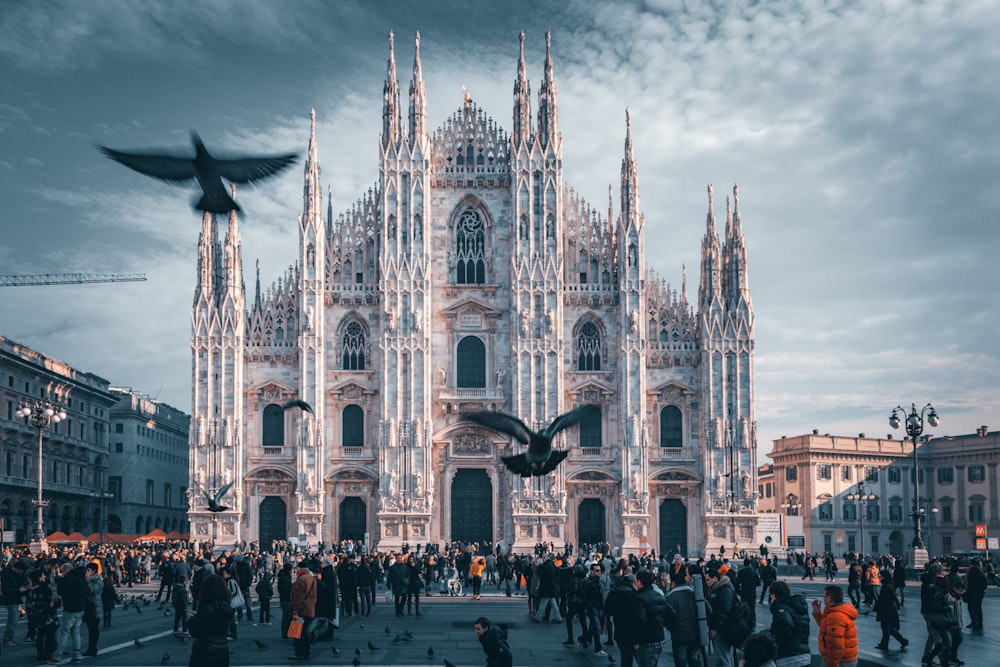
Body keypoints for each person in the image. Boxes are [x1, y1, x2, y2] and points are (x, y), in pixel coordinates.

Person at [187, 574, 234, 667]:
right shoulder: (226, 606)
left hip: (205, 650)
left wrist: (192, 620)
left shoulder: (205, 606)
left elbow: (197, 631)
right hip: (222, 648)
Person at [49, 562, 87, 665]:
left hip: (70, 608)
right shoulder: (82, 578)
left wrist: (58, 583)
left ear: (66, 570)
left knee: (64, 632)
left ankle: (57, 656)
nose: (63, 573)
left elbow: (61, 592)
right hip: (80, 608)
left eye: (63, 571)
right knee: (76, 632)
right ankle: (76, 655)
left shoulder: (68, 579)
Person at [811, 584, 858, 667]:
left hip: (840, 661)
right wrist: (818, 613)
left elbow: (836, 644)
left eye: (825, 596)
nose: (823, 599)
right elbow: (827, 628)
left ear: (830, 598)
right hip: (845, 659)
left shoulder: (835, 616)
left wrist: (832, 664)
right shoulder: (839, 611)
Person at [664, 570, 703, 667]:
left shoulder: (670, 597)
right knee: (694, 659)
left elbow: (666, 618)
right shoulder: (695, 593)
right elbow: (708, 610)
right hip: (695, 633)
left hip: (679, 634)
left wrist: (672, 627)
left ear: (673, 583)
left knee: (681, 661)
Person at [767, 581, 810, 667]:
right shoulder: (798, 606)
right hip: (804, 654)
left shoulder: (780, 607)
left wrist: (776, 641)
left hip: (788, 655)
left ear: (774, 595)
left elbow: (785, 623)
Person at [632, 569, 668, 667]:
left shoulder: (639, 598)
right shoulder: (659, 594)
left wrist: (636, 641)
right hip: (659, 638)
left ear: (639, 582)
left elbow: (641, 621)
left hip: (647, 640)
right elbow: (671, 614)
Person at [706, 565, 738, 667]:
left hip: (724, 629)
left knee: (724, 656)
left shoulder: (724, 589)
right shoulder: (718, 588)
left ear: (715, 578)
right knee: (722, 656)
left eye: (708, 579)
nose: (707, 582)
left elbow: (724, 611)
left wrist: (715, 628)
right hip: (722, 627)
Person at [604, 572, 638, 667]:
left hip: (619, 627)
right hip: (632, 628)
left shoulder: (614, 592)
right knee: (638, 656)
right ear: (632, 583)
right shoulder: (633, 593)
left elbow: (607, 609)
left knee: (625, 656)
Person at [25, 568, 58, 663]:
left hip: (37, 614)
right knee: (49, 635)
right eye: (43, 575)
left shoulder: (33, 588)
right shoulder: (45, 588)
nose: (44, 577)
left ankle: (40, 654)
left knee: (40, 634)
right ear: (39, 577)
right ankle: (48, 654)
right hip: (47, 614)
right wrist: (53, 602)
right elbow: (50, 602)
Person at [289, 561, 318, 661]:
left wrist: (295, 612)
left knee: (298, 633)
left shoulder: (301, 580)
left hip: (301, 611)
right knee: (306, 633)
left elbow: (298, 598)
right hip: (310, 609)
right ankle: (307, 652)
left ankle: (299, 653)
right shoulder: (312, 578)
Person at [1, 557, 28, 648]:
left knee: (13, 619)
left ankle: (8, 638)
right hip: (10, 598)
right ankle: (7, 639)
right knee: (12, 619)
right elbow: (6, 589)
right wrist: (19, 590)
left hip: (15, 598)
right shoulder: (7, 574)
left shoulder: (13, 573)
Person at [874, 579, 907, 651]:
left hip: (886, 609)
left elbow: (883, 599)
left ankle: (885, 644)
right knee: (889, 627)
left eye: (881, 575)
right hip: (891, 608)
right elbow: (894, 597)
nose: (879, 577)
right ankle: (901, 640)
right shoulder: (889, 586)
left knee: (885, 627)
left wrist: (877, 607)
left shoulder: (885, 587)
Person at [82, 562, 103, 657]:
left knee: (93, 629)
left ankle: (92, 648)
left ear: (94, 571)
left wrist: (87, 581)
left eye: (88, 570)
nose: (87, 572)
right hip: (88, 607)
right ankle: (91, 648)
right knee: (90, 628)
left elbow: (92, 590)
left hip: (95, 608)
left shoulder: (98, 580)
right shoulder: (90, 579)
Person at [963, 562, 986, 631]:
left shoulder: (971, 577)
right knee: (978, 608)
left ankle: (974, 622)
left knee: (971, 608)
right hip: (980, 594)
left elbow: (970, 587)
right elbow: (985, 586)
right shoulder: (982, 576)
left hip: (972, 595)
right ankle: (980, 623)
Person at [277, 562, 294, 639]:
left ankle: (287, 632)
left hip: (284, 598)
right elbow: (286, 589)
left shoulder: (283, 576)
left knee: (287, 616)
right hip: (286, 598)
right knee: (287, 616)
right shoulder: (285, 578)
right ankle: (286, 632)